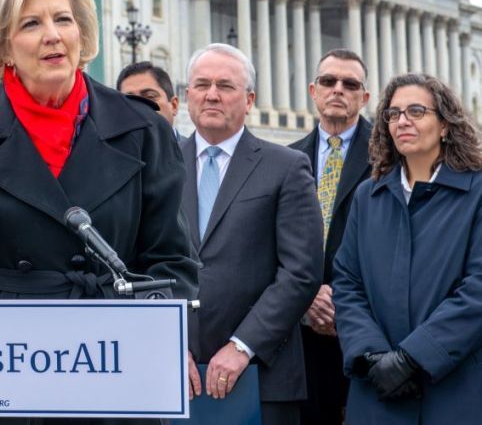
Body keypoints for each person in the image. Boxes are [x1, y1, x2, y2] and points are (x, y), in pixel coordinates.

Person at [0, 0, 198, 422]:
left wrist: (151, 345)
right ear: (5, 46)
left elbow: (171, 258)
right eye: (31, 23)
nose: (52, 35)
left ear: (82, 34)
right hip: (0, 363)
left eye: (63, 19)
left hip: (112, 358)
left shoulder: (143, 129)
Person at [180, 44, 323, 425]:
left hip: (262, 375)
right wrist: (167, 345)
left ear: (249, 99)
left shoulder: (287, 167)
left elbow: (301, 272)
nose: (212, 94)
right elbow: (140, 263)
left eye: (225, 86)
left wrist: (243, 346)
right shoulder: (159, 167)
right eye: (202, 84)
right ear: (186, 95)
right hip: (176, 375)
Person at [333, 73, 482, 424]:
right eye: (393, 113)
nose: (402, 121)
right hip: (378, 389)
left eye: (416, 111)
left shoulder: (476, 192)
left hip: (454, 387)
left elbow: (477, 289)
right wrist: (372, 357)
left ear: (445, 125)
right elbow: (347, 283)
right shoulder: (368, 197)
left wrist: (413, 358)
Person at [288, 49, 372, 425]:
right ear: (313, 90)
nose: (338, 89)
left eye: (350, 84)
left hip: (369, 325)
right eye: (328, 81)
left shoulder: (390, 154)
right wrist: (307, 296)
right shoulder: (286, 158)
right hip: (301, 328)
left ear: (364, 97)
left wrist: (347, 302)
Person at [115, 61, 182, 140]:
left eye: (150, 96)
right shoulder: (113, 151)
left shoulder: (193, 151)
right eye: (129, 100)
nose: (138, 107)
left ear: (174, 105)